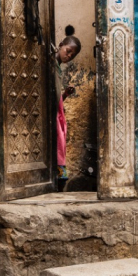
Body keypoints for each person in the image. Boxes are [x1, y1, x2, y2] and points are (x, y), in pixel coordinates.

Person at [54, 25, 81, 191]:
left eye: (73, 54)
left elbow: (55, 98)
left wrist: (64, 95)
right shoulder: (49, 64)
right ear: (60, 45)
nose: (69, 56)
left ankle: (58, 180)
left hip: (56, 115)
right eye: (68, 50)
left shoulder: (57, 68)